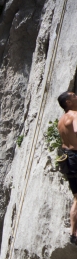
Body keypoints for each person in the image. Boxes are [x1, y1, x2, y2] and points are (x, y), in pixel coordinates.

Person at [57, 91, 77, 244]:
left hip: (68, 158)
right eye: (73, 96)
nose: (76, 96)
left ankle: (73, 233)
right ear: (68, 103)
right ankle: (74, 233)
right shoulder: (74, 116)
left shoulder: (61, 120)